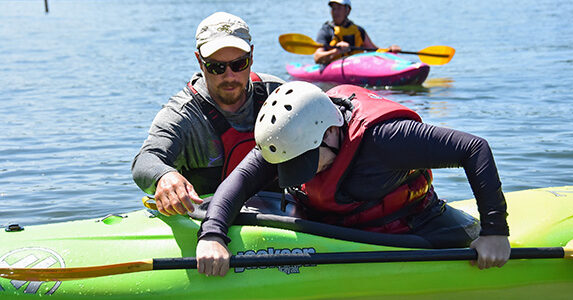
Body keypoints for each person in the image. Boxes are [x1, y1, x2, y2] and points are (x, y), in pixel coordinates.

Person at [195, 81, 511, 276]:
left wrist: (495, 232)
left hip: (411, 224)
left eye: (306, 162)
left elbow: (474, 148)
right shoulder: (289, 135)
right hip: (333, 223)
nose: (304, 172)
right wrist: (212, 234)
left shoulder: (386, 139)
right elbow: (238, 184)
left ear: (331, 132)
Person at [131, 12, 284, 217]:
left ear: (252, 56)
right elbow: (145, 160)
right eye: (216, 67)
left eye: (239, 64)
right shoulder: (182, 114)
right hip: (208, 220)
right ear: (200, 62)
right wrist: (163, 176)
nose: (229, 76)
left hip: (281, 217)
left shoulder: (279, 94)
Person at [314, 0, 403, 64]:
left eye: (339, 8)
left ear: (347, 10)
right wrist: (336, 51)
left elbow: (374, 51)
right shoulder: (326, 31)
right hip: (331, 68)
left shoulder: (359, 31)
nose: (335, 12)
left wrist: (389, 51)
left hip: (355, 65)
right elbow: (317, 58)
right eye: (333, 8)